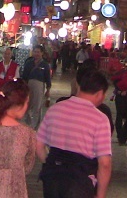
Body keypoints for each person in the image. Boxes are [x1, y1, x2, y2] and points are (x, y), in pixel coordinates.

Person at [37, 69, 112, 198]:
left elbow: (38, 145)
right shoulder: (100, 119)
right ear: (100, 93)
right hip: (80, 182)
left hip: (52, 180)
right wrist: (100, 195)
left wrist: (52, 164)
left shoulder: (55, 109)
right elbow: (104, 163)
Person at [21, 45, 52, 129]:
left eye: (38, 52)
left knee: (37, 106)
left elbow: (48, 78)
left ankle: (35, 126)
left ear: (42, 53)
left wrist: (48, 90)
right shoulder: (28, 63)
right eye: (35, 51)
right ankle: (27, 123)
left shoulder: (45, 65)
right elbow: (24, 76)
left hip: (39, 86)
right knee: (27, 105)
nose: (36, 54)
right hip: (28, 86)